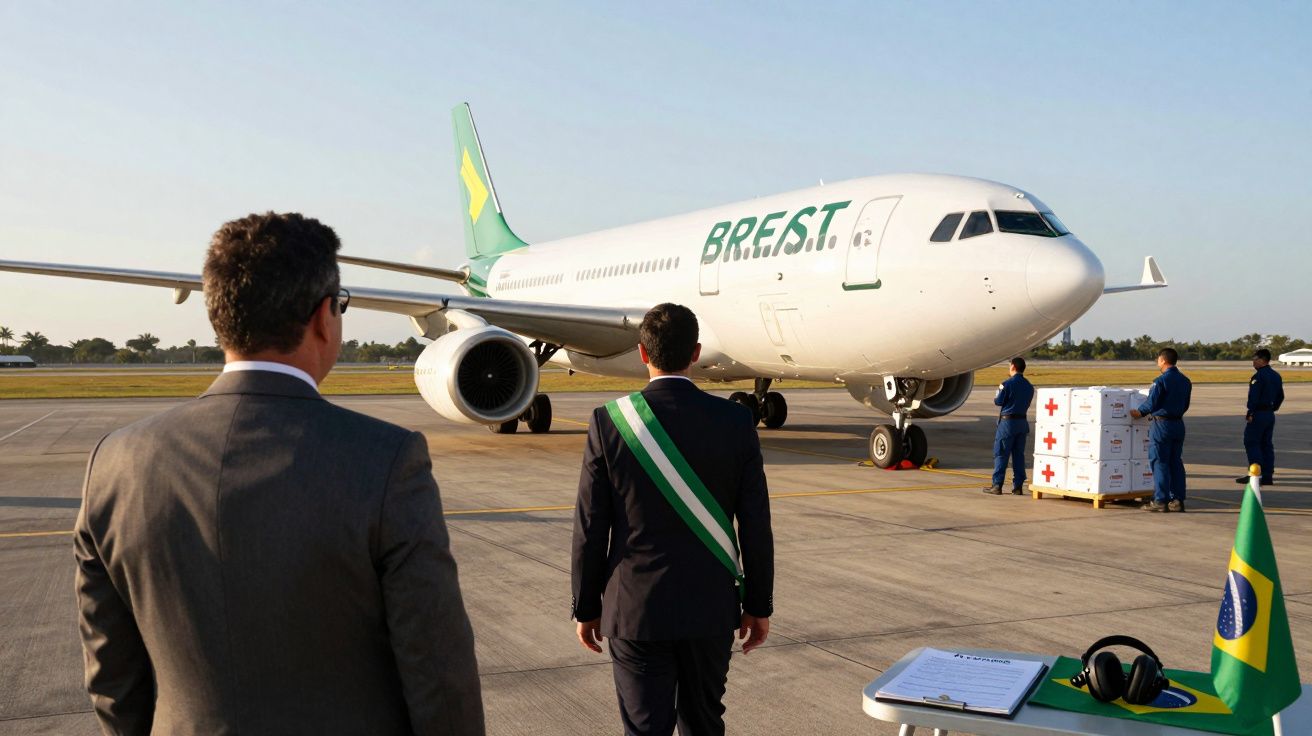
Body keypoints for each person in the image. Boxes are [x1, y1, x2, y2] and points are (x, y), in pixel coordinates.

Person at [74, 213, 485, 735]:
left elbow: (112, 680)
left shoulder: (114, 462)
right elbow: (438, 674)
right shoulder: (386, 459)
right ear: (322, 318)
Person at [571, 303, 775, 736]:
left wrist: (586, 607)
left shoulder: (610, 423)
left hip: (635, 610)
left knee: (646, 729)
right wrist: (759, 605)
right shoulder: (736, 421)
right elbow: (755, 524)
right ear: (696, 352)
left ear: (643, 354)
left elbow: (591, 527)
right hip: (711, 608)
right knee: (704, 724)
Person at [1130, 347, 1192, 512]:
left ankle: (1160, 500)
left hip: (1162, 425)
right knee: (1176, 463)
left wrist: (1139, 412)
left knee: (1160, 462)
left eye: (1158, 359)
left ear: (1163, 360)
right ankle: (1177, 500)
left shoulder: (1160, 381)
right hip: (1178, 424)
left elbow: (1152, 402)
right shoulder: (1186, 381)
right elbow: (1185, 405)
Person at [984, 357, 1034, 495]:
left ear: (1012, 367)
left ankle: (997, 485)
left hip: (1008, 424)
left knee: (1001, 453)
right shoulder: (1029, 386)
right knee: (1019, 455)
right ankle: (1018, 486)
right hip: (1022, 423)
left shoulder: (1007, 384)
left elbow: (998, 401)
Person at [1235, 348, 1284, 486]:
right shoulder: (1276, 375)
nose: (1253, 362)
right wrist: (1272, 409)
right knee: (1267, 444)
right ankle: (1268, 475)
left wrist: (1251, 412)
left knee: (1252, 442)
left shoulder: (1258, 377)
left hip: (1259, 414)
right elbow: (1281, 396)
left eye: (1254, 359)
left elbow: (1254, 398)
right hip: (1269, 414)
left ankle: (1255, 474)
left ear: (1262, 360)